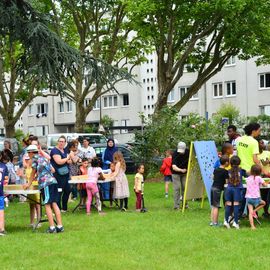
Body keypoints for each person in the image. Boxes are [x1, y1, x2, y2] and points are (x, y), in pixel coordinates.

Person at [24, 145, 64, 233]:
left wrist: (28, 184)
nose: (28, 155)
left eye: (28, 153)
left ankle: (52, 227)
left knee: (47, 204)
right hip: (53, 181)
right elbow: (52, 170)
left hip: (46, 184)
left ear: (31, 152)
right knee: (54, 203)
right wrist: (39, 175)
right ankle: (60, 226)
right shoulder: (43, 157)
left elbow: (32, 173)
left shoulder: (34, 159)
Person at [50, 135, 72, 212]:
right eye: (60, 141)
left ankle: (64, 208)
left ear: (65, 143)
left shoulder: (65, 150)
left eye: (63, 142)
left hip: (65, 174)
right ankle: (58, 208)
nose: (61, 143)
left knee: (68, 190)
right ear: (58, 142)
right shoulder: (55, 150)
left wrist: (69, 160)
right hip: (58, 174)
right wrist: (67, 158)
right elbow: (59, 162)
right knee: (59, 191)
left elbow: (68, 161)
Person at [224, 156, 246, 229]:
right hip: (237, 189)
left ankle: (226, 221)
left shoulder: (228, 171)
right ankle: (235, 222)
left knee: (228, 205)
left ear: (230, 163)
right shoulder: (241, 171)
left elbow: (227, 180)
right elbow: (247, 175)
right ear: (239, 163)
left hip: (229, 189)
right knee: (236, 206)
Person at [245, 164, 267, 230]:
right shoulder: (259, 178)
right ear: (259, 172)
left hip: (249, 198)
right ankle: (255, 211)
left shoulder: (248, 178)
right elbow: (265, 185)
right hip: (256, 198)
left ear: (251, 171)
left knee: (250, 212)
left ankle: (252, 226)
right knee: (264, 203)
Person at [210, 156, 229, 226]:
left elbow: (213, 177)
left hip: (213, 188)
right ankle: (215, 223)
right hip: (218, 189)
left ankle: (212, 221)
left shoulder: (216, 169)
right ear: (226, 163)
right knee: (216, 206)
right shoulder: (225, 171)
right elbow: (227, 182)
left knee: (213, 205)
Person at [171, 142, 189, 210]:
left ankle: (185, 205)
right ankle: (176, 206)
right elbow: (174, 167)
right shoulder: (175, 154)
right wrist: (181, 170)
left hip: (184, 173)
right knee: (177, 188)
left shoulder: (188, 152)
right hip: (175, 173)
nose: (181, 152)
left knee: (185, 188)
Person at [24, 155, 41, 228]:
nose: (27, 160)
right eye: (26, 159)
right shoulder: (27, 167)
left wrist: (34, 179)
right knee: (31, 205)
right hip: (29, 187)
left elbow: (37, 176)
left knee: (37, 205)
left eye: (29, 159)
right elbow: (27, 177)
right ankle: (31, 222)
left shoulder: (35, 166)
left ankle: (39, 221)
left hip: (35, 186)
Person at [102, 139, 118, 206]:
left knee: (114, 185)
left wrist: (114, 163)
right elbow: (103, 159)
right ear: (107, 143)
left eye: (111, 142)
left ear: (113, 143)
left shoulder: (116, 150)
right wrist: (109, 163)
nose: (110, 143)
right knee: (106, 185)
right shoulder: (105, 150)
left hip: (115, 169)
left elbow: (118, 158)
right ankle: (106, 199)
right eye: (109, 142)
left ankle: (115, 201)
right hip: (107, 168)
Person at [257, 138, 270, 217]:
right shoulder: (255, 155)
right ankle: (265, 212)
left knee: (268, 195)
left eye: (263, 143)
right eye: (261, 143)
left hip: (269, 176)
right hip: (261, 177)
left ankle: (267, 212)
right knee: (263, 195)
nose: (263, 144)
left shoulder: (267, 152)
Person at [0, 151, 9, 236]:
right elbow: (6, 179)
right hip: (0, 191)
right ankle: (2, 229)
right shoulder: (4, 166)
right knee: (1, 209)